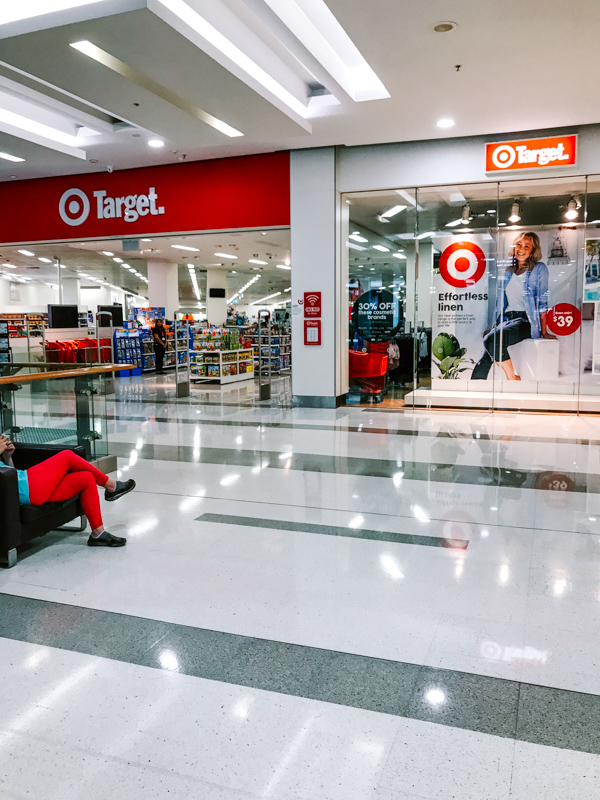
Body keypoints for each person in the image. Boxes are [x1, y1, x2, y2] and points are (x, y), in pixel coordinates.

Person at [0, 435, 135, 547]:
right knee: (67, 456)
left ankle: (98, 533)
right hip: (27, 488)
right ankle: (111, 486)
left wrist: (8, 457)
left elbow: (10, 475)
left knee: (86, 478)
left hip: (27, 485)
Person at [472, 232, 555, 381]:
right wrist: (493, 327)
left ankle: (512, 377)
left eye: (526, 246)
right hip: (505, 320)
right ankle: (475, 389)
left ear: (532, 250)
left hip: (525, 321)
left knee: (491, 341)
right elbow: (500, 304)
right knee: (483, 356)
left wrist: (544, 331)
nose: (521, 249)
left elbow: (543, 302)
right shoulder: (509, 271)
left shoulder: (539, 269)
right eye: (518, 244)